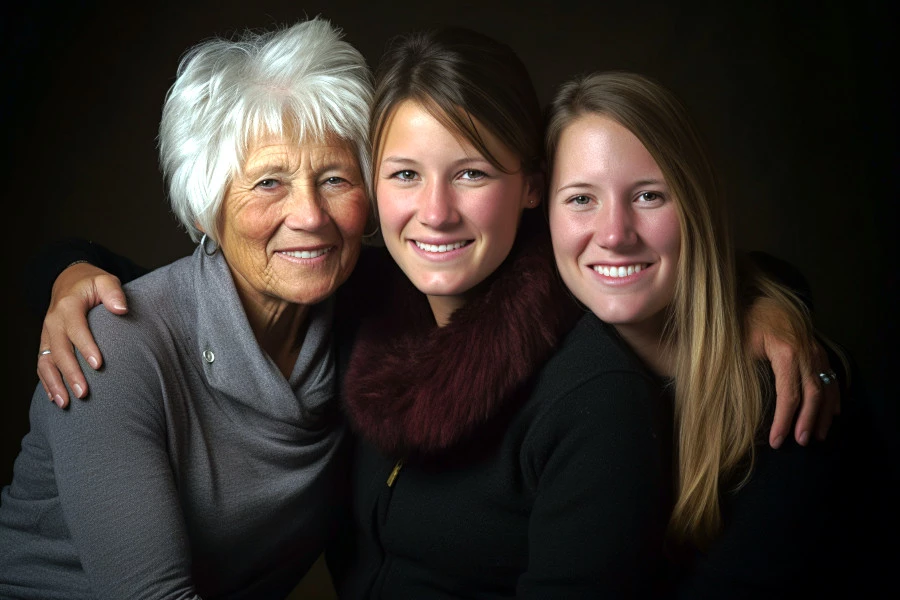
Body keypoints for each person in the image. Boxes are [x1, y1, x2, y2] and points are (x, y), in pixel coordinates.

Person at [21, 27, 842, 598]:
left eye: (473, 173)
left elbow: (640, 250)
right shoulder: (361, 303)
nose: (308, 215)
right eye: (405, 174)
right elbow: (177, 295)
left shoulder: (579, 388)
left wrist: (759, 295)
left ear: (530, 187)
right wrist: (67, 276)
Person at [0, 18, 372, 598]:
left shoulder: (366, 322)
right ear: (204, 209)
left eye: (334, 179)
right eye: (269, 182)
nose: (311, 216)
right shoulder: (111, 352)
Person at [545, 71, 848, 596]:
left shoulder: (783, 393)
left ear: (696, 206)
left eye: (648, 195)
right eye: (580, 199)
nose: (615, 234)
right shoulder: (546, 358)